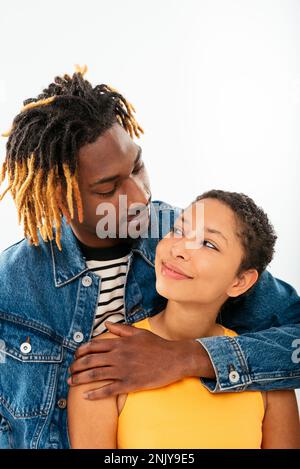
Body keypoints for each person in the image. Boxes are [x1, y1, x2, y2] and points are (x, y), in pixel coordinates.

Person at [0, 67, 299, 449]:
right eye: (108, 188)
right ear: (61, 199)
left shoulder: (179, 237)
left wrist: (186, 358)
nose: (140, 195)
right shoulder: (11, 288)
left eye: (137, 166)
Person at [67, 190, 300, 449]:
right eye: (178, 230)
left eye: (208, 244)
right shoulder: (108, 358)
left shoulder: (266, 373)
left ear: (240, 281)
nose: (179, 249)